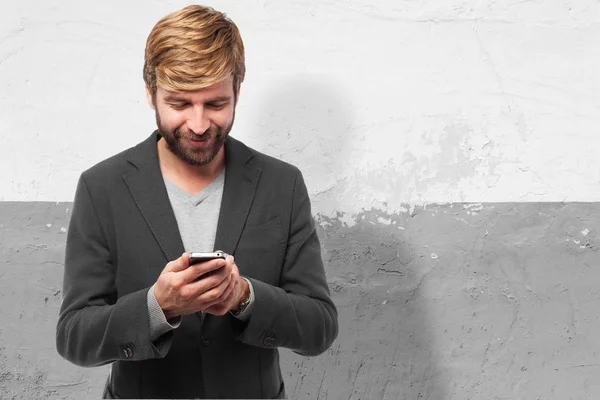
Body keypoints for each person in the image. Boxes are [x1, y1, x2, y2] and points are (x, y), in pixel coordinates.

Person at [55, 5, 338, 399]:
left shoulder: (282, 185)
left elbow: (320, 328)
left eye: (216, 104)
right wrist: (158, 306)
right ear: (150, 92)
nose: (200, 124)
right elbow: (74, 338)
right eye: (180, 104)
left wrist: (244, 297)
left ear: (237, 90)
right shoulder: (101, 187)